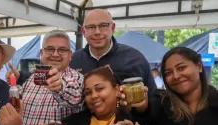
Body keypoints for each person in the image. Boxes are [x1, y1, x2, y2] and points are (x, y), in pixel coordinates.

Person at [9, 9, 156, 97]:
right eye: (91, 27)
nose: (97, 32)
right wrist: (21, 76)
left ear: (113, 28)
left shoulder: (135, 58)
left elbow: (153, 98)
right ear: (84, 32)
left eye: (103, 26)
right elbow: (52, 76)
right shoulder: (74, 59)